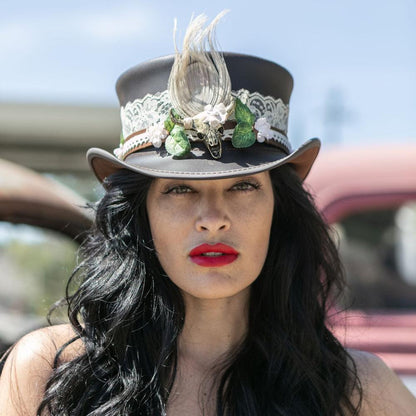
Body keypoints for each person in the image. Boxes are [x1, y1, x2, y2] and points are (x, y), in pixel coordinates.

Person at [0, 12, 415, 416]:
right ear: (140, 215)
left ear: (280, 210)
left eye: (243, 185)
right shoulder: (51, 374)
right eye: (180, 189)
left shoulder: (357, 390)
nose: (213, 218)